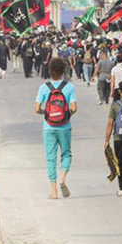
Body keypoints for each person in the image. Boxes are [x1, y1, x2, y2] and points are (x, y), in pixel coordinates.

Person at [34, 57, 78, 199]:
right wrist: (66, 115)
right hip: (65, 126)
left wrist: (46, 113)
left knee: (50, 158)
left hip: (49, 127)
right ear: (63, 71)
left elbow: (37, 109)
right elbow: (74, 108)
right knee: (66, 153)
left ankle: (53, 191)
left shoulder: (44, 88)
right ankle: (63, 178)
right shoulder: (69, 87)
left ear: (50, 71)